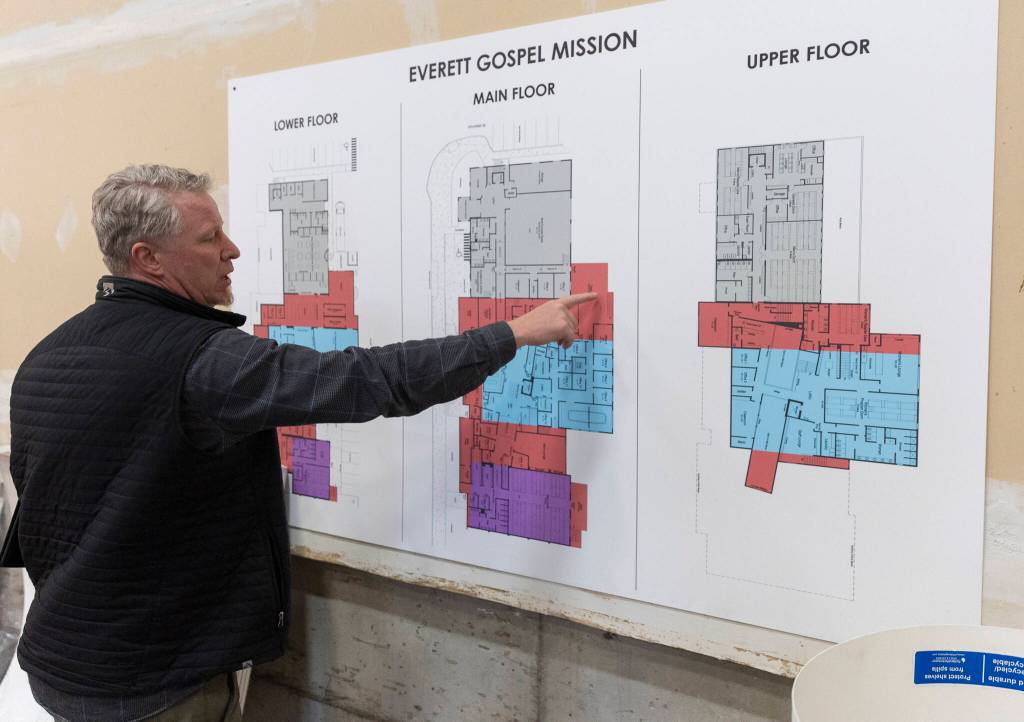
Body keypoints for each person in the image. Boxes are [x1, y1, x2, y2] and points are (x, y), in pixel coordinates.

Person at [9, 164, 597, 722]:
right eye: (211, 237)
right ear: (149, 259)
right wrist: (513, 333)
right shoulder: (203, 361)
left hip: (67, 661)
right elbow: (366, 381)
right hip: (152, 682)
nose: (233, 250)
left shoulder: (48, 354)